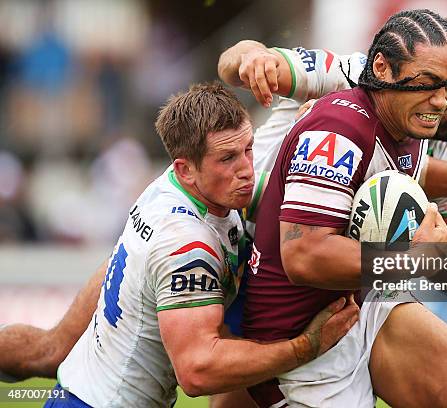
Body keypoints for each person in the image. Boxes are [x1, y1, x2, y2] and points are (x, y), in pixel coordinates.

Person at [228, 9, 447, 407]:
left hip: (355, 303)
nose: (442, 99)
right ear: (381, 68)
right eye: (431, 84)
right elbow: (304, 254)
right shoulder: (340, 118)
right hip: (273, 299)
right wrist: (417, 257)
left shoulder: (416, 127)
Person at [31, 82, 359, 407]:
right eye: (228, 158)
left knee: (44, 350)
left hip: (85, 386)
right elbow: (198, 371)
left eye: (248, 148)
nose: (246, 169)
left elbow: (279, 195)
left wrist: (310, 135)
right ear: (186, 169)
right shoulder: (187, 245)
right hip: (101, 404)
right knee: (42, 351)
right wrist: (306, 347)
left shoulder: (185, 185)